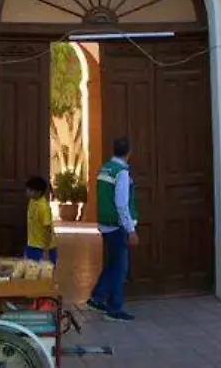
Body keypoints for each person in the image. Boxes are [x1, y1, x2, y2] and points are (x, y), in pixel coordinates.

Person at [88, 136, 138, 322]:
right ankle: (114, 309)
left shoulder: (105, 168)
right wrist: (130, 229)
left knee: (112, 264)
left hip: (105, 224)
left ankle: (98, 297)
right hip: (117, 227)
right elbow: (122, 204)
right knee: (120, 268)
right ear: (129, 152)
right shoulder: (121, 172)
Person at [24, 175, 57, 265]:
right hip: (32, 244)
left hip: (43, 248)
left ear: (38, 192)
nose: (27, 192)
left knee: (44, 275)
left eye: (30, 190)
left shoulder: (44, 208)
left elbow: (48, 230)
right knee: (31, 273)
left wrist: (46, 251)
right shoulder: (32, 201)